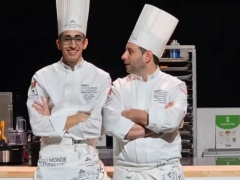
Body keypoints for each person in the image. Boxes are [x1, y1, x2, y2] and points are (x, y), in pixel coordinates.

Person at [26, 0, 111, 179]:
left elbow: (95, 128)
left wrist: (53, 121)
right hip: (51, 162)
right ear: (58, 43)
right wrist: (80, 117)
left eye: (77, 38)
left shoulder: (101, 77)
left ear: (85, 42)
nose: (73, 45)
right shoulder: (41, 77)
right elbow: (38, 126)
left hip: (86, 160)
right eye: (67, 39)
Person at [102, 4, 187, 180]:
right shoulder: (118, 87)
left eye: (130, 51)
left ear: (147, 56)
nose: (123, 56)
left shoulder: (175, 86)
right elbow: (111, 125)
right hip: (127, 174)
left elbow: (172, 120)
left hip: (165, 173)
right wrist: (160, 128)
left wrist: (131, 113)